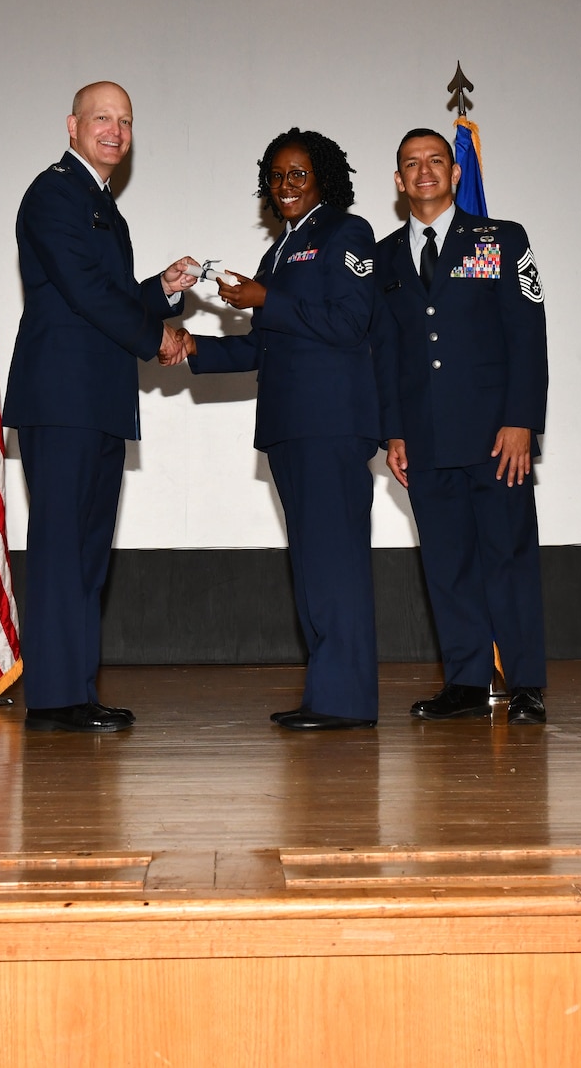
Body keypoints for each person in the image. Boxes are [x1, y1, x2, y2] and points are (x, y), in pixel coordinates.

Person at [1, 81, 199, 733]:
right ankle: (56, 699)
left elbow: (104, 294)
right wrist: (157, 335)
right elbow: (86, 292)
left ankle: (76, 690)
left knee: (88, 554)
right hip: (63, 399)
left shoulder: (102, 205)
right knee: (63, 549)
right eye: (102, 118)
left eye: (125, 121)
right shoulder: (54, 193)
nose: (115, 130)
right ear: (73, 124)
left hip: (97, 400)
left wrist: (161, 293)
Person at [186, 129, 383, 731]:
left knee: (336, 561)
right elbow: (262, 349)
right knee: (313, 562)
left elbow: (350, 322)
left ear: (322, 178)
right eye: (275, 175)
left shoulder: (348, 233)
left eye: (298, 174)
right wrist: (191, 347)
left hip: (331, 423)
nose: (285, 185)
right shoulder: (280, 250)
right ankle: (326, 693)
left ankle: (345, 701)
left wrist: (267, 297)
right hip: (290, 426)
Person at [371, 127, 550, 724]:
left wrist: (521, 421)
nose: (424, 171)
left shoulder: (500, 239)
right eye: (411, 164)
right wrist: (393, 432)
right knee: (446, 565)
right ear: (398, 181)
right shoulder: (385, 256)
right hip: (424, 437)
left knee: (509, 557)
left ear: (454, 172)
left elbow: (527, 334)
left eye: (435, 161)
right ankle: (468, 684)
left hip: (497, 438)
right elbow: (388, 351)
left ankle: (524, 683)